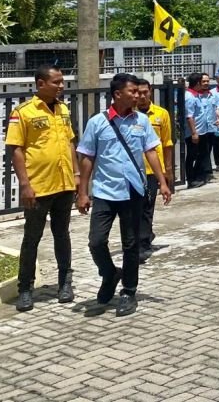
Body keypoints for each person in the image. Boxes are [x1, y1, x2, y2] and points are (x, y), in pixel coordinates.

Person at [77, 73, 171, 316]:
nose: (138, 95)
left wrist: (162, 182)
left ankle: (129, 291)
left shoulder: (142, 121)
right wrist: (82, 192)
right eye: (133, 92)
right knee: (96, 241)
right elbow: (87, 157)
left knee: (131, 244)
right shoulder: (97, 122)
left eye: (140, 92)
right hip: (105, 191)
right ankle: (109, 274)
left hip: (133, 191)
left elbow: (151, 151)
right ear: (118, 94)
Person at [6, 64, 79, 312]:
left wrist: (76, 174)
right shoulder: (23, 112)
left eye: (62, 82)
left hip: (64, 184)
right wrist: (25, 185)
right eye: (56, 82)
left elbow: (70, 142)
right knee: (32, 238)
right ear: (40, 84)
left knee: (63, 235)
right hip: (38, 186)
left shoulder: (63, 109)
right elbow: (15, 148)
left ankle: (64, 283)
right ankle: (25, 289)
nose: (61, 86)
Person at [135, 78, 174, 264]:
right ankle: (145, 234)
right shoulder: (129, 115)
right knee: (135, 207)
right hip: (134, 169)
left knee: (147, 207)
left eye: (145, 92)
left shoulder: (161, 114)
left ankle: (143, 244)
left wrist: (168, 170)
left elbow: (167, 143)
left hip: (153, 169)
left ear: (150, 92)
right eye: (138, 93)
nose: (142, 96)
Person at [183, 72, 208, 188]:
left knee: (200, 155)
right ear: (197, 83)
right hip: (194, 133)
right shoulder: (189, 97)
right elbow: (189, 116)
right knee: (192, 156)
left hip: (201, 131)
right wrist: (194, 133)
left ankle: (198, 176)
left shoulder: (196, 95)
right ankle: (191, 179)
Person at [199, 73, 219, 179]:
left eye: (207, 81)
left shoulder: (212, 95)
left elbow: (216, 108)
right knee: (203, 150)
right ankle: (205, 171)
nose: (206, 83)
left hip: (211, 127)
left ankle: (206, 170)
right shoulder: (196, 96)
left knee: (209, 149)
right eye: (204, 81)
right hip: (201, 129)